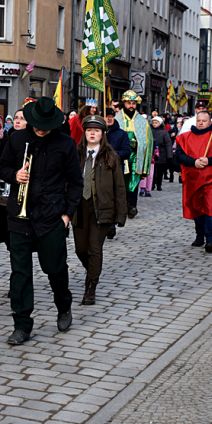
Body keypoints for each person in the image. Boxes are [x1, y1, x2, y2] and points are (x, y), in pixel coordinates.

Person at [0, 97, 82, 345]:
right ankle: (22, 325)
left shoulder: (65, 144)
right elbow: (0, 169)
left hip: (51, 216)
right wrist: (14, 174)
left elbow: (76, 182)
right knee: (20, 274)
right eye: (37, 125)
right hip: (19, 218)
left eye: (45, 126)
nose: (40, 129)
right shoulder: (16, 139)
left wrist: (67, 214)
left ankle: (63, 305)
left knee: (55, 268)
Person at [73, 115, 126, 305]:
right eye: (89, 130)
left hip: (101, 209)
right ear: (84, 133)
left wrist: (119, 216)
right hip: (79, 208)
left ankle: (91, 286)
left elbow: (120, 188)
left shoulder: (111, 157)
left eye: (96, 130)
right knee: (81, 249)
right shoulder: (76, 154)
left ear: (103, 134)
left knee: (94, 248)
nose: (92, 133)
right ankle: (92, 270)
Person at [175, 111, 212, 253]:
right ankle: (199, 234)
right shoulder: (185, 138)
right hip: (193, 179)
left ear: (210, 122)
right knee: (197, 207)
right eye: (199, 120)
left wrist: (210, 160)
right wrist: (194, 162)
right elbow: (179, 156)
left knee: (210, 207)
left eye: (204, 121)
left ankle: (210, 238)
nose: (200, 123)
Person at [0, 107, 27, 251]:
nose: (17, 121)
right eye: (16, 118)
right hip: (7, 186)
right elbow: (1, 164)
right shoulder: (7, 138)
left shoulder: (28, 139)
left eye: (22, 118)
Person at [115, 90, 153, 219]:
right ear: (124, 103)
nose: (131, 106)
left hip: (137, 154)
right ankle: (123, 205)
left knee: (134, 179)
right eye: (128, 103)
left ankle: (132, 205)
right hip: (122, 154)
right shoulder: (117, 120)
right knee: (122, 179)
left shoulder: (142, 121)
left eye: (133, 103)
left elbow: (148, 140)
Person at [104, 109, 131, 240]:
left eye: (110, 116)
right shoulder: (98, 133)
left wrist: (112, 156)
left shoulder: (121, 134)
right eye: (106, 116)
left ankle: (111, 224)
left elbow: (127, 152)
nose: (108, 119)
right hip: (99, 170)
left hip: (115, 169)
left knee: (113, 197)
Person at [151, 116, 172, 191]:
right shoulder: (150, 131)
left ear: (160, 123)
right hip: (152, 154)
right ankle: (152, 184)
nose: (154, 124)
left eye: (156, 123)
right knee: (152, 171)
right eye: (153, 123)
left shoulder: (164, 132)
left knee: (160, 171)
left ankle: (159, 184)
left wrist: (169, 155)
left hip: (161, 154)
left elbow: (168, 143)